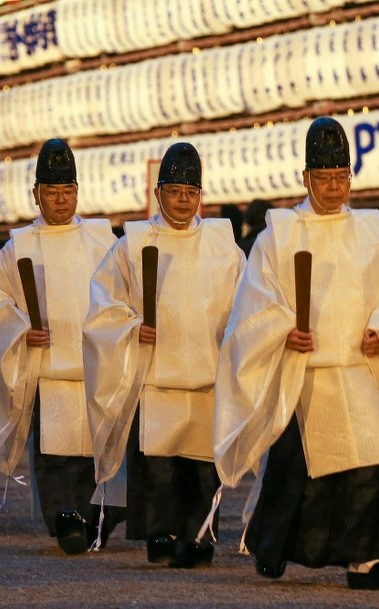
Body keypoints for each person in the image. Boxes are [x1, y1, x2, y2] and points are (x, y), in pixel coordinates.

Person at [214, 117, 379, 589]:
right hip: (305, 373)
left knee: (369, 465)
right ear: (306, 178)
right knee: (296, 476)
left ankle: (365, 558)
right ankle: (271, 543)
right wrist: (283, 331)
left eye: (341, 177)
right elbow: (256, 301)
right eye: (323, 178)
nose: (333, 187)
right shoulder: (280, 234)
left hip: (358, 368)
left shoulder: (371, 228)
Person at [84, 143, 244, 566]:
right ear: (158, 193)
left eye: (191, 192)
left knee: (202, 465)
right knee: (159, 464)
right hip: (156, 374)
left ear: (200, 195)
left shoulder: (223, 245)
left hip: (207, 371)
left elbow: (246, 300)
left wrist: (237, 334)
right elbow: (103, 302)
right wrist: (132, 326)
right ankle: (162, 533)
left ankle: (199, 537)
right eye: (174, 191)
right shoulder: (132, 244)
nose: (183, 200)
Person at [0, 138, 116, 554]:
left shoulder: (100, 238)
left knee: (93, 446)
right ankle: (64, 516)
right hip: (49, 366)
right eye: (53, 192)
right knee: (55, 447)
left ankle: (90, 516)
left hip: (93, 364)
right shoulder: (18, 246)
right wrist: (22, 330)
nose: (61, 200)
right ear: (36, 194)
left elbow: (120, 293)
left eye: (68, 191)